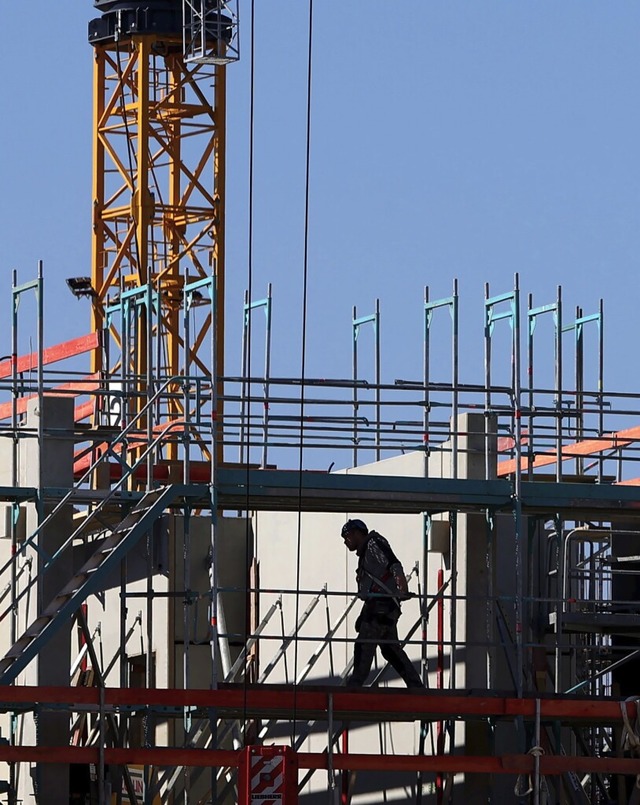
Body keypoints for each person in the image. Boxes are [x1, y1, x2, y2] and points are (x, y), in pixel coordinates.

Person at [341, 519, 423, 688]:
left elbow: (393, 564)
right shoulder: (368, 550)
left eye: (347, 536)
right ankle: (416, 686)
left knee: (364, 645)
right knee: (390, 649)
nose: (345, 541)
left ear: (357, 533)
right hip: (383, 607)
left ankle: (354, 686)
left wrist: (402, 589)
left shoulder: (373, 544)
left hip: (380, 608)